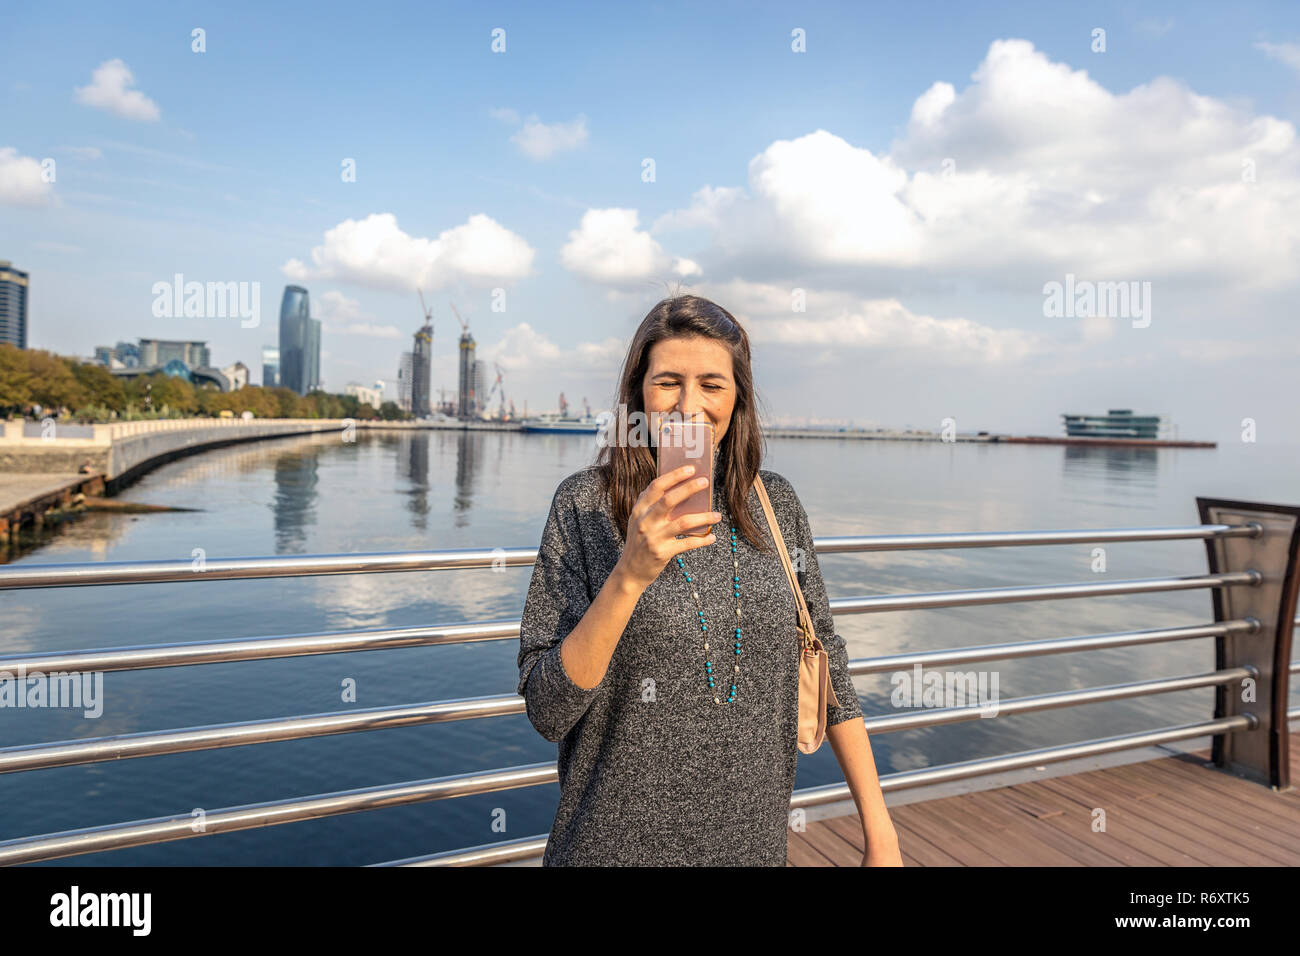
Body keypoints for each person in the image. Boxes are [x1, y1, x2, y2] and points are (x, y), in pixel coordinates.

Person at [517, 293, 901, 866]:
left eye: (713, 385)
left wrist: (881, 834)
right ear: (638, 393)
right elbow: (549, 711)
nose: (688, 406)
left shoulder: (775, 504)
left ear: (738, 397)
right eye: (668, 381)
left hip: (753, 852)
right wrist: (628, 575)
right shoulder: (585, 506)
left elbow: (827, 659)